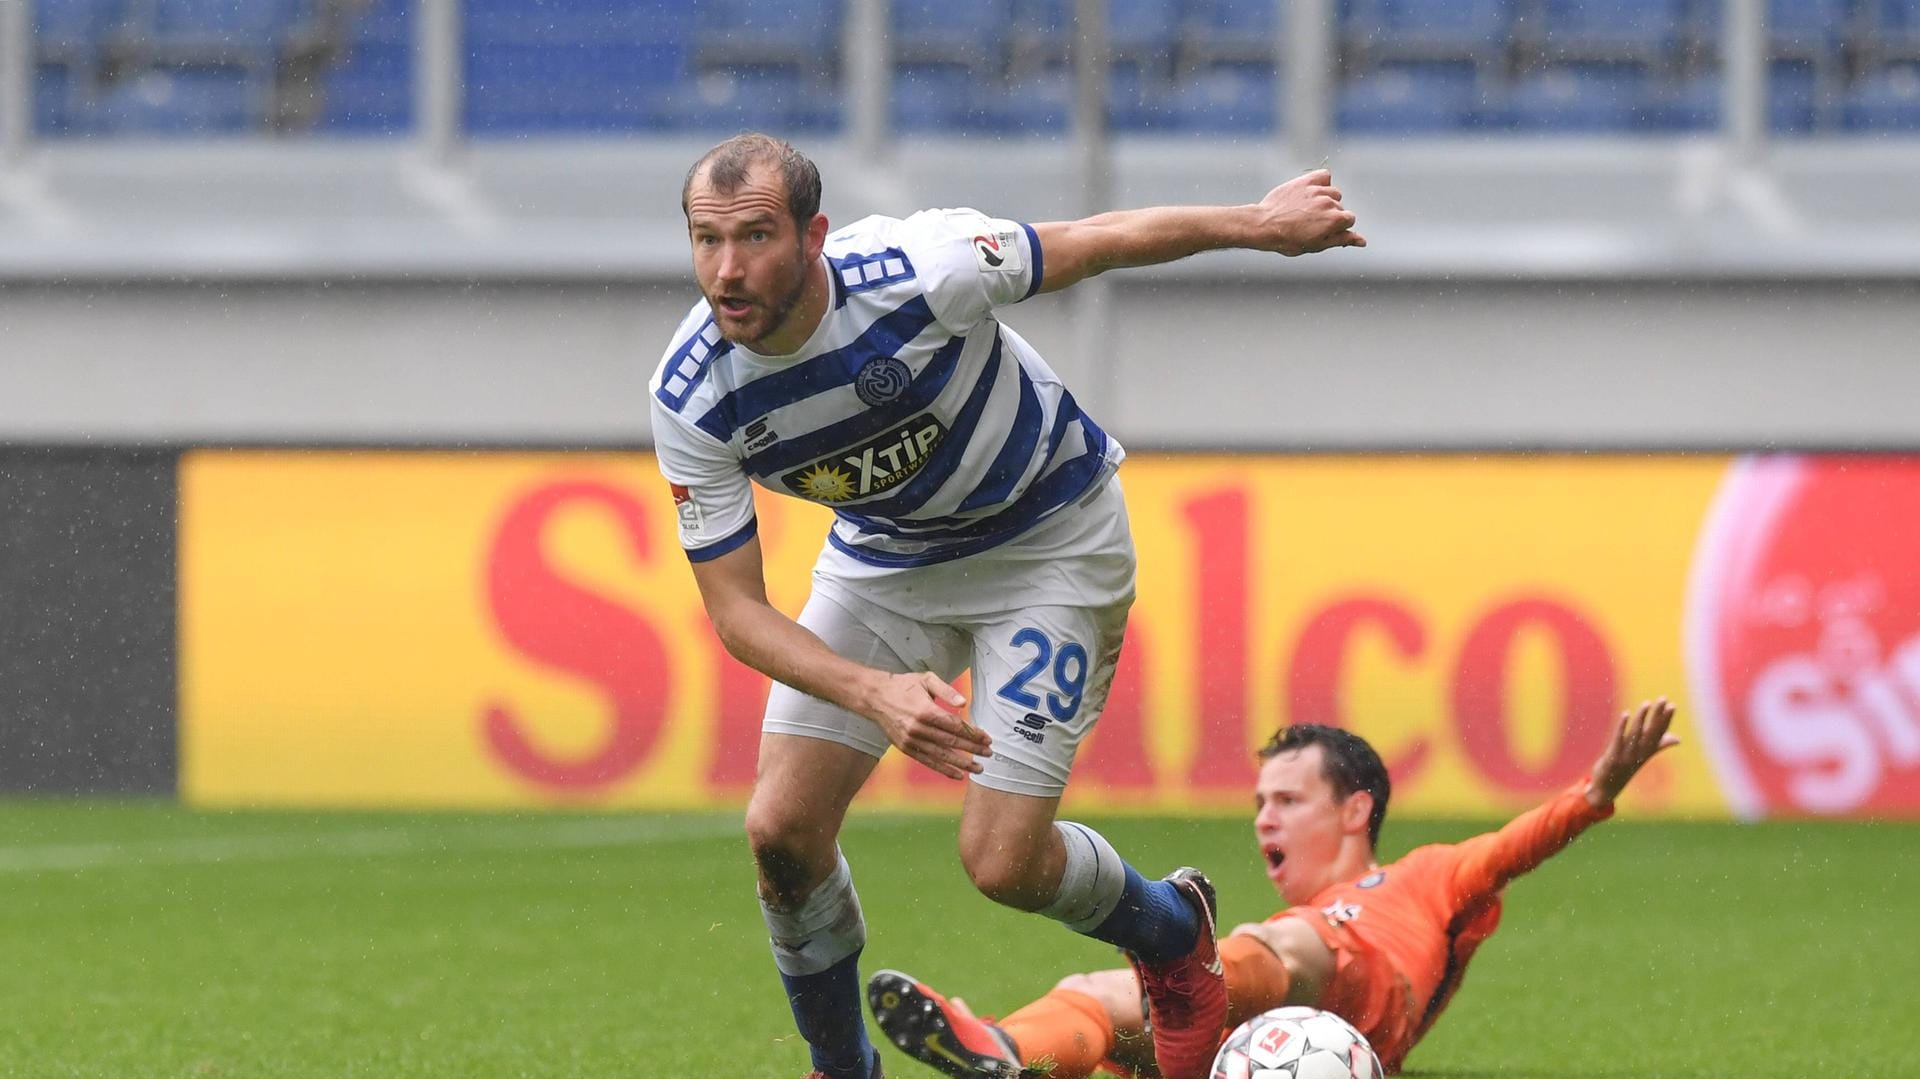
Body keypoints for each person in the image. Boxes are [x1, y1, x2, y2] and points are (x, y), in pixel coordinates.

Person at [650, 132, 1366, 1079]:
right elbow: (737, 610)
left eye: (754, 238)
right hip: (888, 563)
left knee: (1000, 862)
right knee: (780, 829)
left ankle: (1169, 932)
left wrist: (1261, 225)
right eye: (706, 241)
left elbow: (1099, 238)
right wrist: (874, 691)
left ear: (814, 236)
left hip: (1049, 541)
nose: (727, 270)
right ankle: (841, 1066)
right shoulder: (695, 395)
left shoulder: (919, 269)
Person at [869, 698, 1681, 1078]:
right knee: (1101, 1013)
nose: (1264, 821)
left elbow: (1511, 848)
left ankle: (1189, 955)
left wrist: (1595, 791)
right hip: (1258, 1027)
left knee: (1285, 942)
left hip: (1359, 985)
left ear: (1356, 807)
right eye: (1259, 803)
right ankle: (1006, 1051)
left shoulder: (1419, 875)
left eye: (1288, 800)